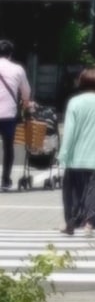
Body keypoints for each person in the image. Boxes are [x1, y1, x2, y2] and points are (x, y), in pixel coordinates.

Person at [59, 67, 95, 235]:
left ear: (82, 82)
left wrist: (63, 153)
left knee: (72, 191)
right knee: (94, 190)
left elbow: (69, 132)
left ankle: (71, 222)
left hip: (75, 156)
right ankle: (89, 223)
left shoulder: (75, 102)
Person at [0, 39, 33, 193]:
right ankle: (5, 180)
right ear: (11, 54)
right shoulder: (18, 69)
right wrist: (26, 103)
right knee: (8, 147)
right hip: (9, 114)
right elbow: (26, 91)